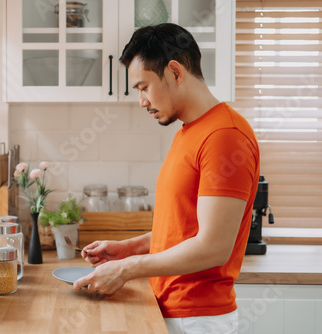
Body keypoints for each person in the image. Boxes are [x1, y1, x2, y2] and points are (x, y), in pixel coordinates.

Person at [73, 23, 260, 334]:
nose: (142, 102)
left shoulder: (225, 137)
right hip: (171, 311)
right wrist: (128, 248)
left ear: (175, 72)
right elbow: (183, 228)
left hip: (197, 320)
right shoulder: (190, 131)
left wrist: (125, 269)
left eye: (144, 87)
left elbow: (213, 247)